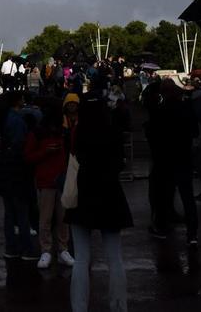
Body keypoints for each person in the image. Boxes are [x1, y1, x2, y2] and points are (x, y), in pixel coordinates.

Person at [66, 92, 132, 312]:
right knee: (115, 257)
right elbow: (120, 163)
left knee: (82, 258)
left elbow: (74, 157)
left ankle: (79, 307)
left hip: (83, 192)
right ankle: (119, 305)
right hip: (110, 193)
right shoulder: (113, 131)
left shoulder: (79, 132)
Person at [144, 79, 199, 245]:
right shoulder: (186, 108)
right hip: (183, 157)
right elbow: (194, 131)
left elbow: (155, 134)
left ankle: (163, 226)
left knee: (165, 195)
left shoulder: (162, 111)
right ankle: (192, 233)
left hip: (167, 159)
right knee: (187, 196)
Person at [25, 101, 73, 269]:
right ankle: (57, 249)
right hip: (54, 179)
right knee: (53, 217)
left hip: (53, 179)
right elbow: (29, 156)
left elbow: (29, 156)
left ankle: (54, 250)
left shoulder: (42, 132)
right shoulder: (58, 132)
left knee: (56, 218)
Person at [0, 92, 36, 260]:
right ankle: (26, 248)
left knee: (10, 212)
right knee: (22, 211)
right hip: (17, 170)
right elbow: (19, 145)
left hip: (6, 169)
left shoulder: (5, 118)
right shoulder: (17, 120)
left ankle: (11, 247)